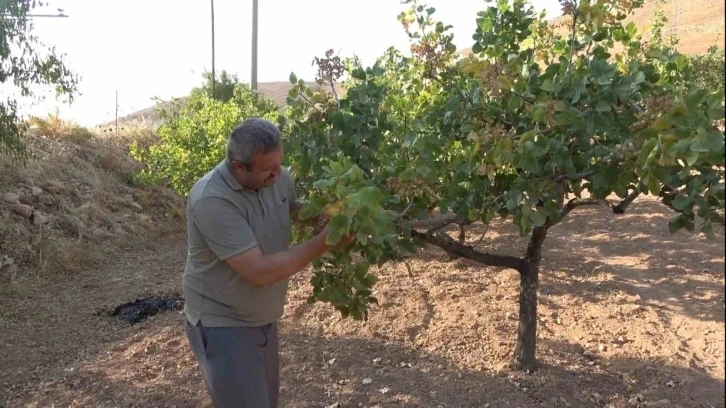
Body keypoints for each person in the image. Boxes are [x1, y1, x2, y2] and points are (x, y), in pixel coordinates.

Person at [182, 117, 351, 407]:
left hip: (262, 318)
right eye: (267, 170)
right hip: (223, 324)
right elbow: (258, 272)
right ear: (238, 167)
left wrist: (318, 216)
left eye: (279, 164)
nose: (278, 174)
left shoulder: (278, 177)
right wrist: (326, 240)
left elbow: (289, 207)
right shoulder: (211, 200)